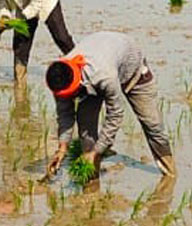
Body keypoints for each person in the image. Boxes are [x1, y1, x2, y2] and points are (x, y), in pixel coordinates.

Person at [44, 32, 174, 180]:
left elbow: (115, 114)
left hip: (131, 68)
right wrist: (62, 148)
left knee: (153, 125)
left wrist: (97, 151)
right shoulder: (58, 78)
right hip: (98, 63)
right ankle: (91, 178)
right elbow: (65, 114)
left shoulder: (105, 76)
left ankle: (170, 174)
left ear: (77, 84)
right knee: (85, 125)